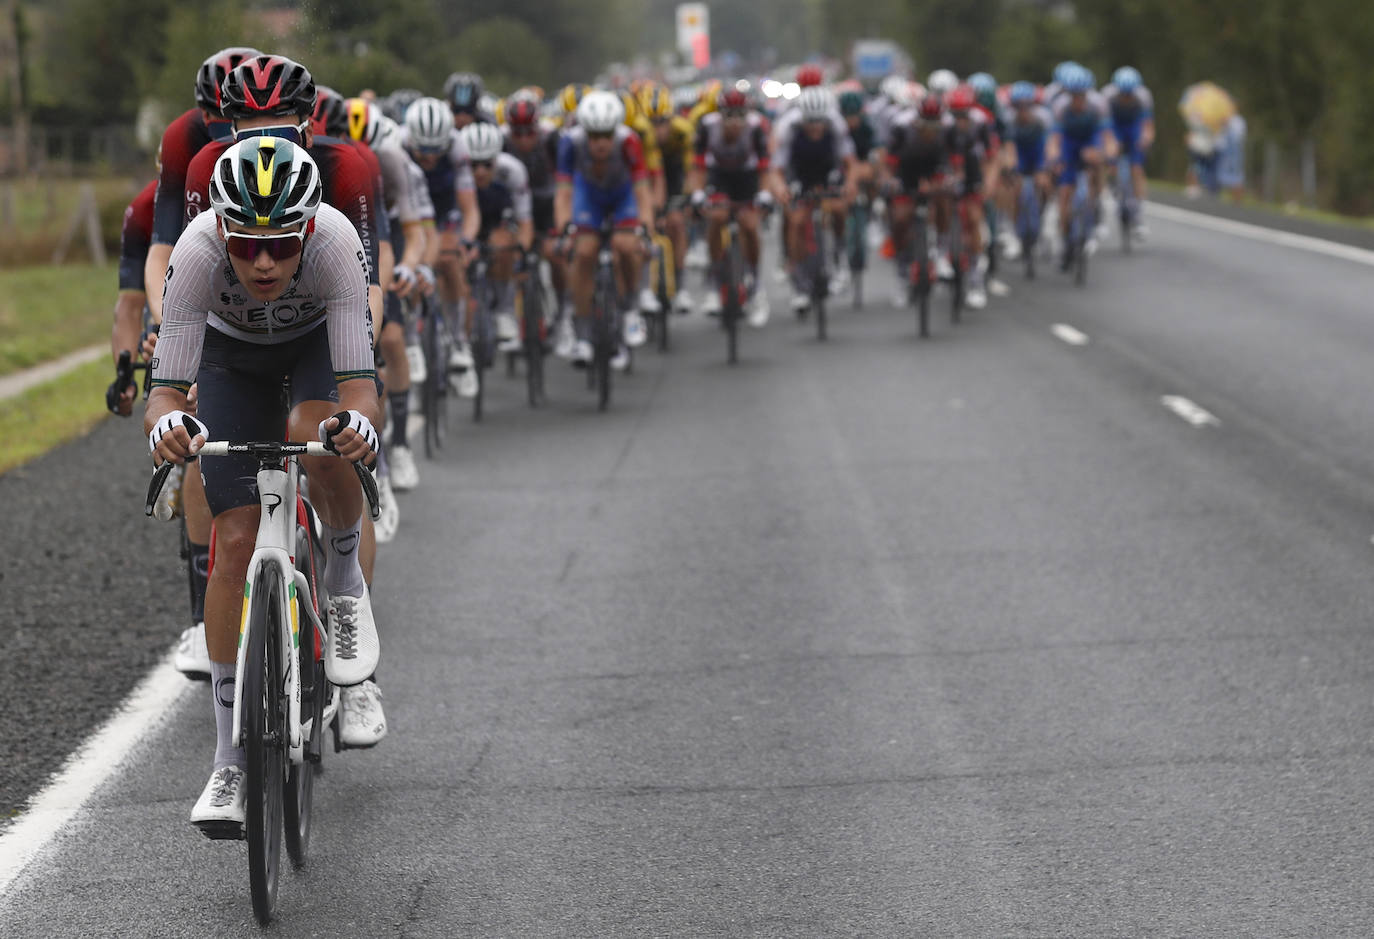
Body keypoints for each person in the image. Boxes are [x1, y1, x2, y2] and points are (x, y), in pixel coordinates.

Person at [146, 139, 381, 836]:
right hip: (229, 359)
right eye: (246, 247)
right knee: (236, 538)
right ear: (221, 229)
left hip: (315, 349)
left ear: (308, 228)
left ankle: (342, 585)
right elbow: (164, 394)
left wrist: (358, 428)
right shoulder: (193, 254)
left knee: (323, 433)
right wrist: (167, 428)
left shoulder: (338, 244)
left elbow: (362, 392)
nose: (265, 263)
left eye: (280, 244)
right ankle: (228, 762)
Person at [554, 90, 657, 369]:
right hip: (589, 196)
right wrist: (564, 228)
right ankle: (584, 334)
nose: (600, 143)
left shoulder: (629, 141)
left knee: (626, 246)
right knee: (584, 252)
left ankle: (631, 309)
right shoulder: (570, 143)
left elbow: (642, 190)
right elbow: (563, 193)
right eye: (594, 136)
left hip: (622, 196)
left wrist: (645, 226)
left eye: (606, 136)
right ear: (584, 132)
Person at [689, 85, 773, 325]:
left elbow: (765, 168)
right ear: (720, 115)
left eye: (740, 116)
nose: (735, 123)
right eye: (729, 116)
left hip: (747, 178)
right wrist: (696, 193)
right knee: (716, 218)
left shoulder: (757, 127)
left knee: (749, 224)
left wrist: (765, 194)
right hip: (719, 177)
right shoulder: (707, 126)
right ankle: (715, 285)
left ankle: (756, 285)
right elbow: (697, 167)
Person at [772, 86, 855, 315]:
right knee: (796, 221)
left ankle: (839, 257)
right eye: (811, 123)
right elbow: (777, 168)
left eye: (820, 122)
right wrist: (781, 189)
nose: (816, 127)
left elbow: (849, 162)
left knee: (838, 208)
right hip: (798, 174)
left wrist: (849, 185)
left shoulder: (837, 124)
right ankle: (799, 284)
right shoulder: (788, 127)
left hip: (827, 170)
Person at [458, 121, 534, 357]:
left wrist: (520, 253)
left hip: (497, 219)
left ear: (497, 160)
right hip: (465, 218)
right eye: (474, 164)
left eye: (487, 165)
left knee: (503, 246)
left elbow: (525, 222)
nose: (480, 171)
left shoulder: (513, 170)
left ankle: (503, 310)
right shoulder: (456, 170)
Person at [1048, 65, 1114, 269]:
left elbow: (1108, 137)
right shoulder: (1060, 106)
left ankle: (1095, 208)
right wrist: (1054, 158)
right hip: (1069, 143)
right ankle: (1064, 232)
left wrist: (1107, 154)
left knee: (1095, 165)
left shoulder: (1098, 105)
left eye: (1081, 95)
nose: (1077, 99)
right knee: (1066, 191)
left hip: (1090, 140)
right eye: (1073, 95)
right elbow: (1054, 140)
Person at [1102, 66, 1155, 239]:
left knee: (1137, 169)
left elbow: (1147, 125)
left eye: (1129, 94)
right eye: (1123, 94)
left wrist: (1145, 139)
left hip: (1133, 127)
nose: (1126, 98)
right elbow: (1103, 126)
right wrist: (1110, 144)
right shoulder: (1107, 95)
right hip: (1114, 125)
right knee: (1111, 161)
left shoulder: (1143, 96)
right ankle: (1113, 183)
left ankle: (1139, 216)